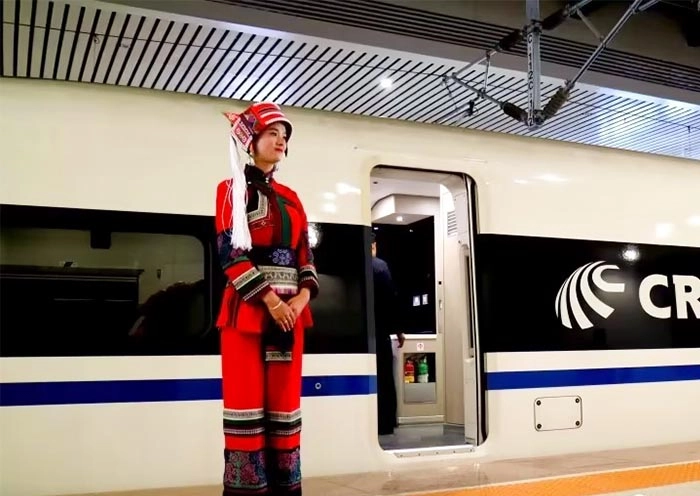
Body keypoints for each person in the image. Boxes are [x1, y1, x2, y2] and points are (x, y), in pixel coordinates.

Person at [215, 102, 319, 495]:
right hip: (248, 313)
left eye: (285, 136)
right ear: (251, 141)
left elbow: (306, 255)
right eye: (273, 133)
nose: (281, 141)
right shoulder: (230, 190)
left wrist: (302, 298)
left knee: (285, 406)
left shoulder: (292, 197)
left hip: (290, 316)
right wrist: (272, 301)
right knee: (245, 407)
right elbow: (230, 254)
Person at [371, 232, 404, 435]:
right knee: (384, 378)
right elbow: (391, 299)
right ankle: (385, 423)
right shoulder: (380, 266)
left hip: (362, 334)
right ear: (373, 245)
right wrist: (398, 330)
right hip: (380, 332)